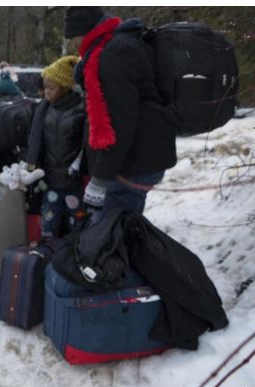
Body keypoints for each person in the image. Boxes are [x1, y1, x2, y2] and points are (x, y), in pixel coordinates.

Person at [63, 6, 176, 221]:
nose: (73, 43)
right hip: (136, 159)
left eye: (73, 36)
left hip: (131, 164)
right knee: (123, 230)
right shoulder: (111, 47)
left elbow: (118, 120)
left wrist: (100, 179)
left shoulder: (112, 55)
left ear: (86, 30)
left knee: (110, 235)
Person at [24, 55, 85, 237]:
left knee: (79, 221)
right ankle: (47, 250)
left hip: (73, 181)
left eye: (51, 88)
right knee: (48, 222)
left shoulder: (81, 110)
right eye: (45, 88)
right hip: (51, 181)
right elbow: (37, 142)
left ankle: (78, 250)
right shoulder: (44, 110)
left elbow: (86, 145)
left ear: (65, 88)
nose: (46, 92)